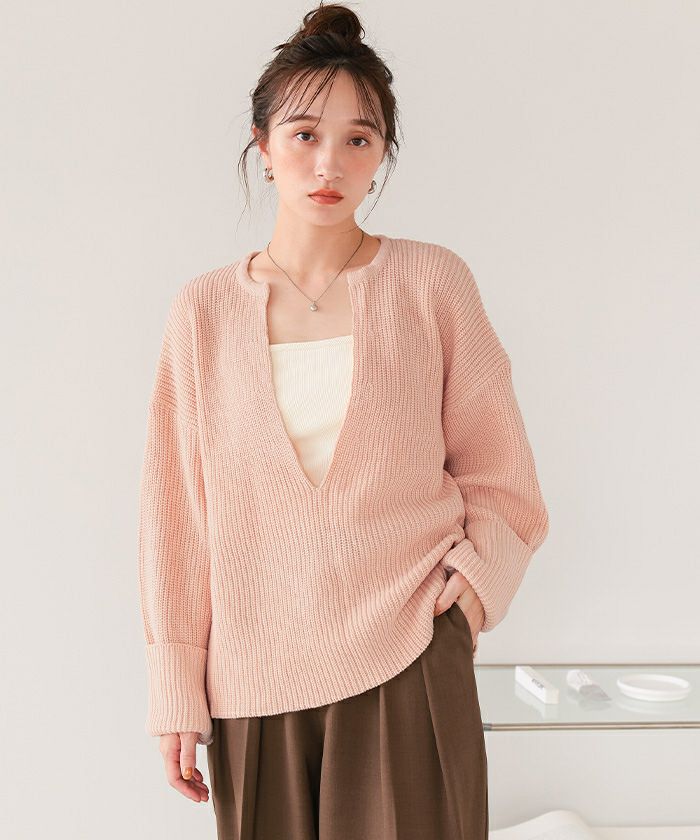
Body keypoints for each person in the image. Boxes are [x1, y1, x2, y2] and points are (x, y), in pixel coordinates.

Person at [137, 4, 549, 838]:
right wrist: (175, 684)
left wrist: (467, 604)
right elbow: (175, 516)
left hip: (410, 656)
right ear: (263, 146)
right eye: (304, 135)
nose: (329, 163)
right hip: (254, 676)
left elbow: (502, 477)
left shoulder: (432, 284)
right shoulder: (203, 312)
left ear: (381, 155)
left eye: (359, 139)